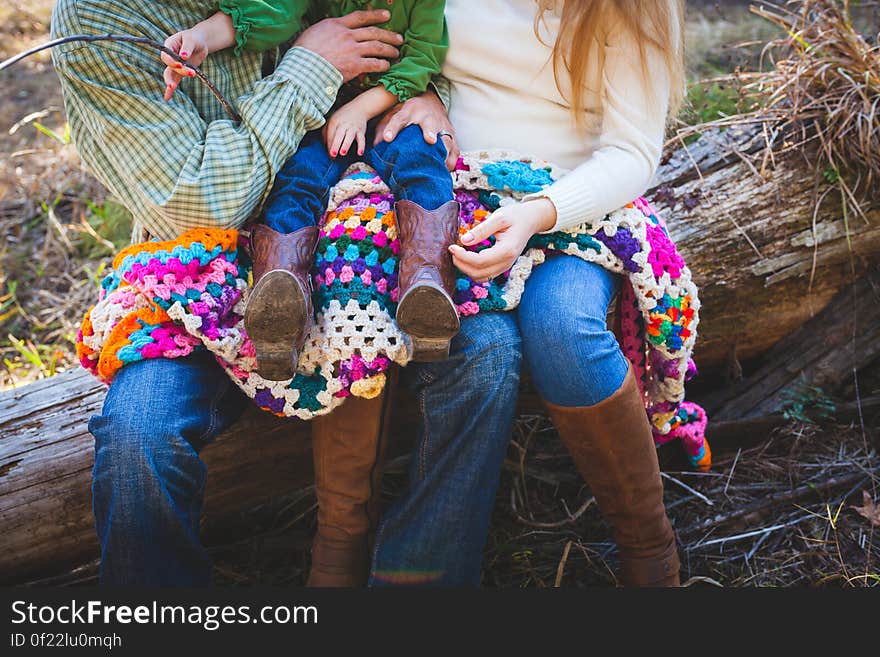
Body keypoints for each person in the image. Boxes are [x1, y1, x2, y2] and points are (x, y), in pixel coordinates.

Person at [51, 0, 522, 587]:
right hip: (200, 279)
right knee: (137, 436)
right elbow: (203, 203)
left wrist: (427, 96)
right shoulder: (103, 18)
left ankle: (417, 588)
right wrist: (309, 65)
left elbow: (424, 40)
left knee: (488, 354)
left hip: (362, 238)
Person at [369, 0, 687, 586]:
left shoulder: (631, 9)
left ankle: (650, 551)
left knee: (562, 327)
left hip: (572, 207)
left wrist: (539, 214)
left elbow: (632, 152)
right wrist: (421, 90)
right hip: (453, 193)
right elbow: (407, 41)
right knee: (480, 345)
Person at [161, 1, 459, 380]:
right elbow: (274, 12)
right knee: (297, 177)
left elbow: (423, 57)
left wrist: (362, 109)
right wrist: (203, 37)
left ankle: (428, 283)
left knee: (421, 161)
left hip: (390, 107)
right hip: (322, 110)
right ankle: (279, 302)